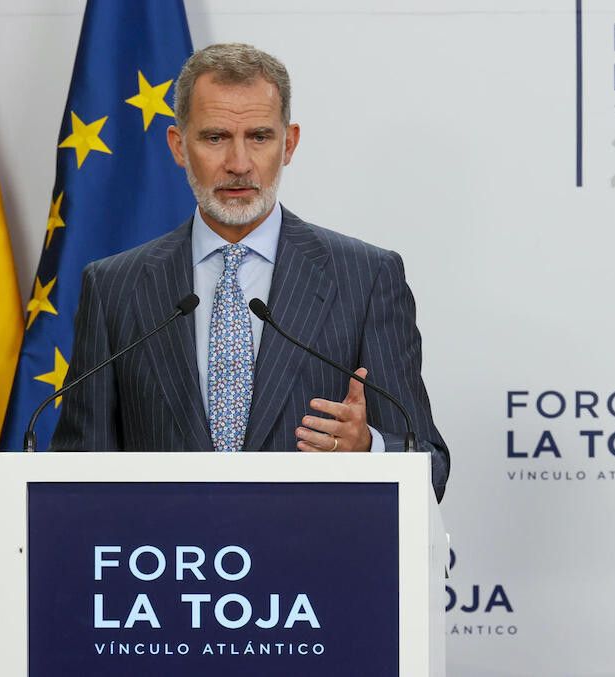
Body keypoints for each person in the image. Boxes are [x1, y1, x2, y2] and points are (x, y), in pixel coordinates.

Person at [51, 43, 450, 500]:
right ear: (179, 146)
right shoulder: (115, 287)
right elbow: (77, 475)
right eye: (215, 137)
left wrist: (370, 449)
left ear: (289, 143)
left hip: (312, 560)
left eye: (259, 137)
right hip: (166, 564)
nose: (239, 164)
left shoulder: (366, 278)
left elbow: (431, 467)